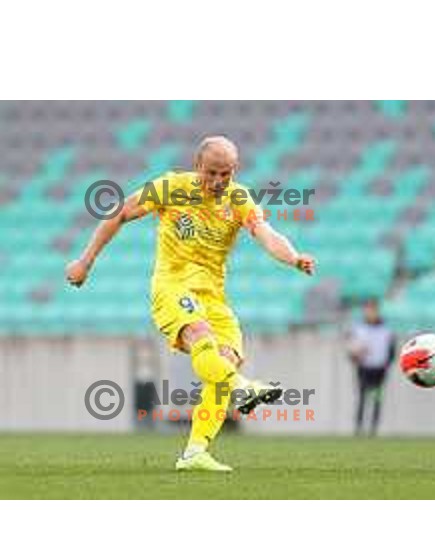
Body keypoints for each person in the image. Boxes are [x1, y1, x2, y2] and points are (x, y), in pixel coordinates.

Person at [66, 136, 316, 472]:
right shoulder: (171, 187)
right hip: (173, 285)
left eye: (225, 174)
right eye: (211, 172)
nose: (217, 181)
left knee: (224, 362)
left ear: (235, 171)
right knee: (201, 336)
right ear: (197, 166)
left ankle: (195, 452)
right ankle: (242, 389)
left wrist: (294, 258)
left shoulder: (240, 200)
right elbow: (120, 212)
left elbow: (267, 234)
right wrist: (86, 261)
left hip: (213, 296)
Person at [347, 299, 396, 436]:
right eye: (368, 310)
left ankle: (373, 429)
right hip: (363, 368)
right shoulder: (358, 328)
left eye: (373, 310)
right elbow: (351, 349)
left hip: (380, 369)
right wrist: (356, 355)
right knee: (362, 397)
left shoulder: (386, 329)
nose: (370, 313)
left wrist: (387, 364)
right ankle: (358, 428)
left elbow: (391, 349)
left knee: (377, 399)